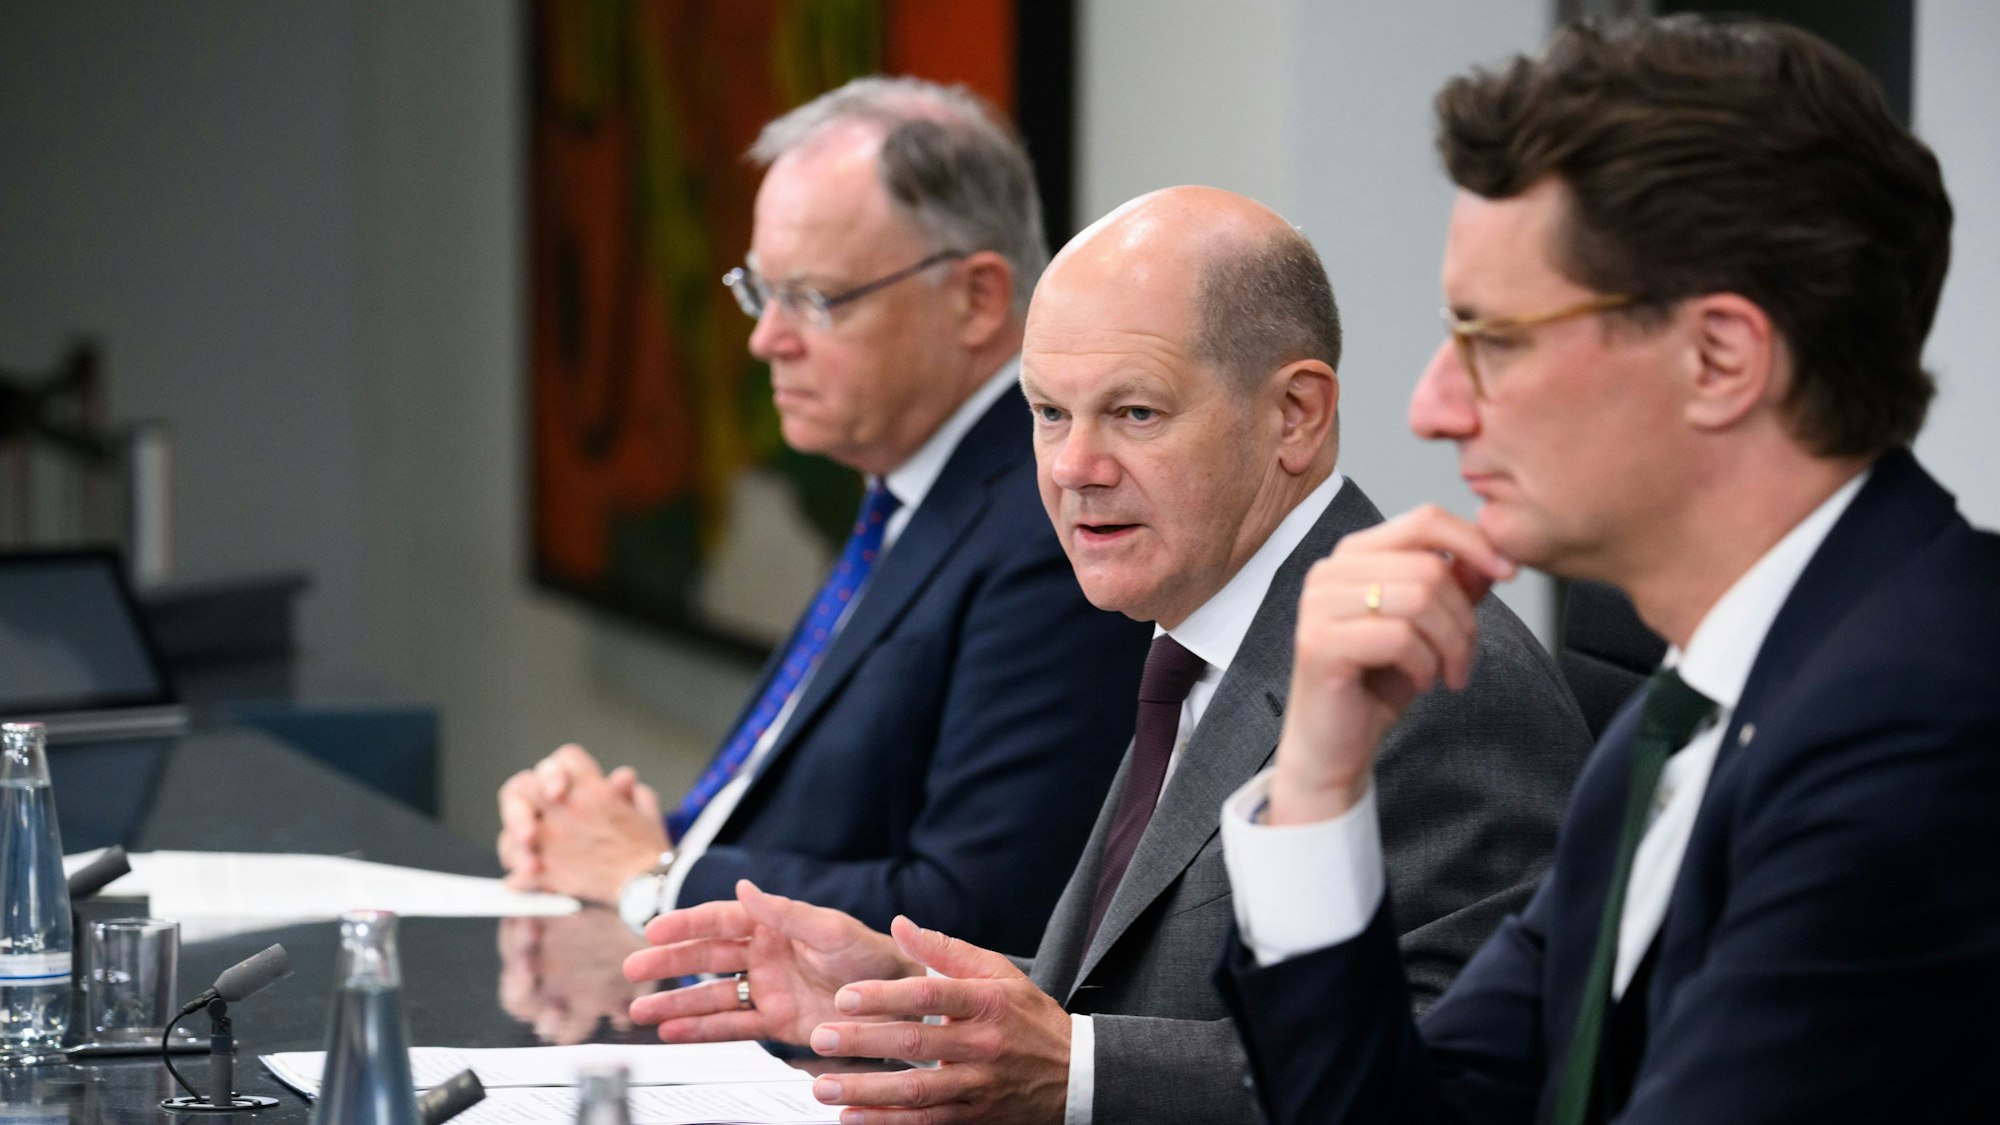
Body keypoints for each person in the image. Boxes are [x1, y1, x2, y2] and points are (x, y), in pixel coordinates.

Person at [621, 186, 1592, 1124]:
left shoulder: (1428, 678)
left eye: (1134, 413)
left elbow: (1423, 1089)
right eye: (1049, 412)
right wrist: (898, 991)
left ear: (1294, 415)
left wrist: (1076, 1071)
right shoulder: (1198, 626)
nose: (1072, 469)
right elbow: (1129, 997)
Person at [1215, 17, 2000, 1124]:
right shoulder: (1674, 718)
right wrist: (1313, 786)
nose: (1431, 406)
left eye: (1493, 339)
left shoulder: (1920, 728)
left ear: (1719, 357)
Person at [496, 77, 1152, 956]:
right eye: (759, 291)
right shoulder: (910, 489)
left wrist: (654, 873)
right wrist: (605, 832)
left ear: (976, 298)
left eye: (814, 299)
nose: (766, 338)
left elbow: (977, 912)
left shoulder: (1051, 524)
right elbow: (820, 814)